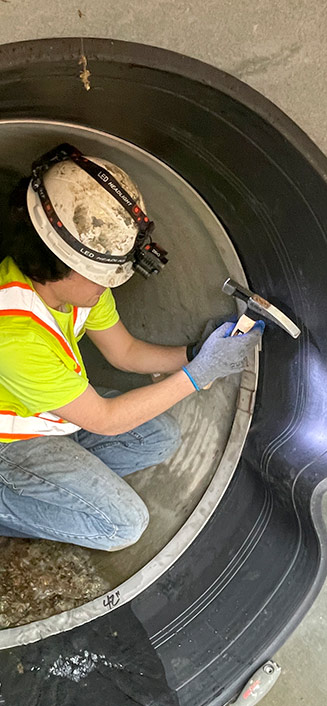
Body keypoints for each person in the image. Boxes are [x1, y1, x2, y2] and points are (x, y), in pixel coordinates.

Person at [0, 144, 263, 551]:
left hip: (47, 419)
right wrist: (198, 375)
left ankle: (54, 490)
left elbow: (124, 352)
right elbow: (105, 419)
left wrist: (194, 353)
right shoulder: (13, 334)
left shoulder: (78, 287)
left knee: (158, 436)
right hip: (8, 445)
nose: (112, 282)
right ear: (56, 263)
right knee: (123, 526)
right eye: (102, 274)